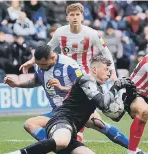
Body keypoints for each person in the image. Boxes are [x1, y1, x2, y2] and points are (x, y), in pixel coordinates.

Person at [4, 45, 148, 154]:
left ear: (53, 58)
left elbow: (83, 87)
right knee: (29, 124)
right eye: (39, 64)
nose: (41, 67)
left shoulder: (69, 65)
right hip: (59, 111)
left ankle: (135, 150)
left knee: (101, 125)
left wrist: (62, 88)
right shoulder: (39, 66)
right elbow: (36, 81)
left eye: (43, 64)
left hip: (79, 106)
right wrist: (17, 84)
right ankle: (64, 148)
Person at [19, 3, 118, 142]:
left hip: (84, 76)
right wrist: (31, 61)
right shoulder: (60, 32)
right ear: (67, 17)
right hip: (66, 74)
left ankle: (75, 136)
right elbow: (48, 48)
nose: (75, 17)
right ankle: (73, 135)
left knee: (90, 115)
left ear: (82, 16)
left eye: (77, 14)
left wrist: (112, 71)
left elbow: (105, 52)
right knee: (83, 112)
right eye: (72, 15)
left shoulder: (91, 33)